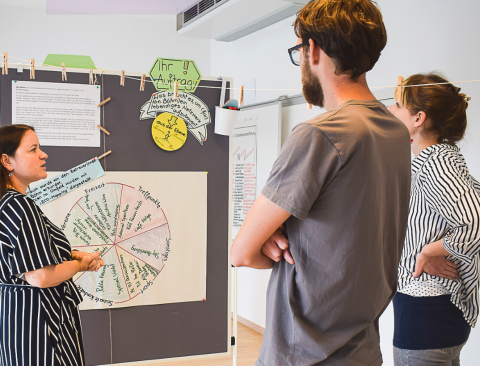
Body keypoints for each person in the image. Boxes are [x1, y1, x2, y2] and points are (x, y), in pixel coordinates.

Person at [230, 0, 411, 364]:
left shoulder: (320, 135)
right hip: (364, 349)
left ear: (312, 49)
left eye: (299, 50)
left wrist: (269, 243)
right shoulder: (395, 132)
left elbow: (240, 252)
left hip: (303, 354)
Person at [388, 73, 480, 365]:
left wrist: (429, 251)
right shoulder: (433, 160)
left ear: (419, 118)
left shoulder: (438, 163)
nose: (391, 110)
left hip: (427, 314)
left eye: (398, 105)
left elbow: (474, 223)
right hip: (431, 312)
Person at [0, 124, 104, 366]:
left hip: (16, 318)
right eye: (33, 149)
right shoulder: (19, 206)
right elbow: (40, 277)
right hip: (38, 323)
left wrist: (72, 256)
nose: (43, 154)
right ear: (7, 161)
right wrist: (80, 265)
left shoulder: (6, 203)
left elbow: (20, 258)